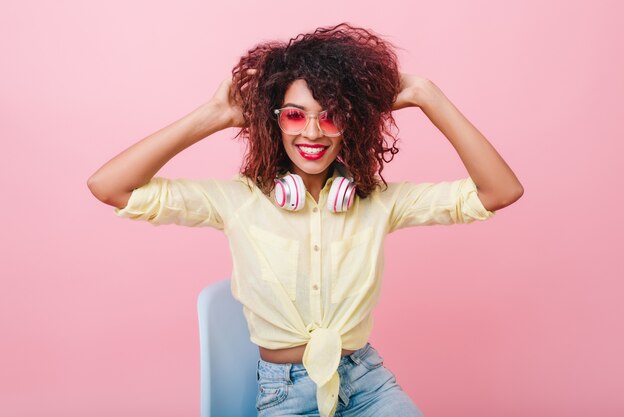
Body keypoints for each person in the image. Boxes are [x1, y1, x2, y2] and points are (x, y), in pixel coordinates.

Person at [87, 22, 523, 417]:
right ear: (273, 122)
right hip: (285, 394)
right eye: (295, 115)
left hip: (367, 383)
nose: (312, 133)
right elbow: (111, 187)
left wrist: (427, 94)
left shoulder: (379, 203)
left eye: (330, 116)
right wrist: (213, 115)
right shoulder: (237, 200)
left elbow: (499, 191)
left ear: (350, 125)